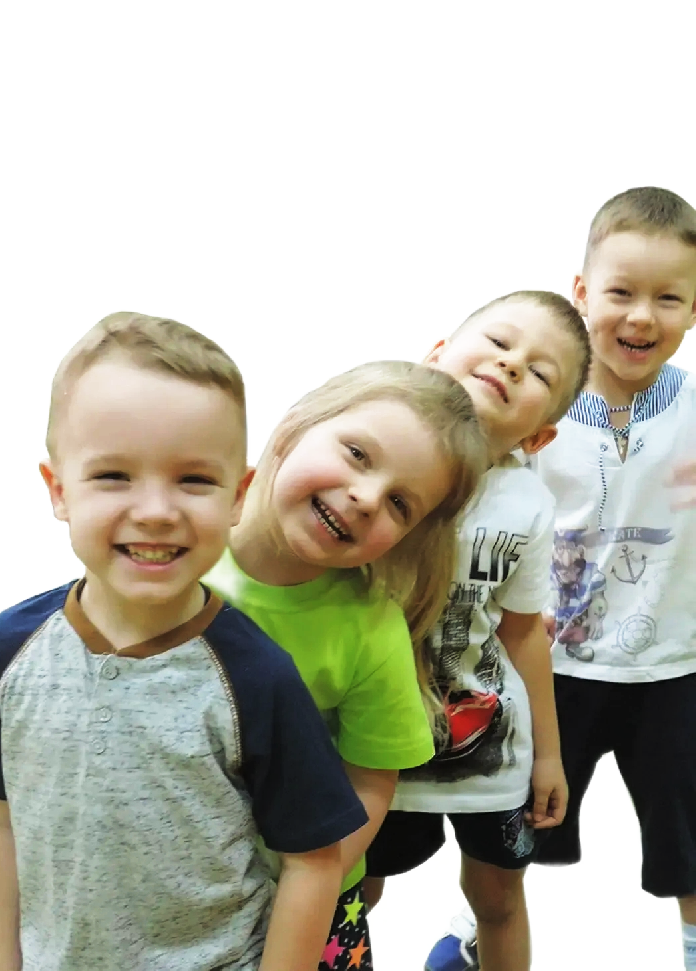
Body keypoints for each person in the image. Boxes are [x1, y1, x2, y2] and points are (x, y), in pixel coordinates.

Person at [0, 312, 370, 971]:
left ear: (238, 494)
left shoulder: (256, 677)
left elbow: (312, 860)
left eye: (193, 480)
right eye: (114, 475)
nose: (156, 511)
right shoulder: (7, 650)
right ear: (59, 490)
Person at [205, 359, 490, 970]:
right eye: (358, 454)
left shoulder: (372, 630)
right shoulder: (178, 560)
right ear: (294, 426)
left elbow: (369, 783)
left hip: (301, 906)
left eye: (400, 503)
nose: (365, 497)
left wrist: (307, 891)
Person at [362, 291, 592, 971]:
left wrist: (549, 756)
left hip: (488, 751)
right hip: (369, 744)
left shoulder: (528, 504)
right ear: (435, 356)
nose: (512, 363)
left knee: (495, 898)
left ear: (539, 436)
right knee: (349, 889)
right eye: (497, 341)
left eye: (539, 372)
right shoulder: (366, 468)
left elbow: (523, 635)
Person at [527, 186, 696, 971]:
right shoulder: (533, 414)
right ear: (581, 292)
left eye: (667, 297)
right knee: (515, 830)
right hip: (552, 668)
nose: (640, 316)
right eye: (621, 292)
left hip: (674, 667)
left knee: (687, 848)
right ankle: (474, 929)